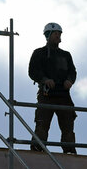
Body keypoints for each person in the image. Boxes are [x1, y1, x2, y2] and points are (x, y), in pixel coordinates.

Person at [28, 22, 78, 154]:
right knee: (42, 124)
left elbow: (72, 71)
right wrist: (45, 80)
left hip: (64, 95)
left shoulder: (66, 55)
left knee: (68, 125)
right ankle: (38, 148)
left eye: (59, 33)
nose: (58, 35)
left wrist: (70, 80)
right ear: (48, 35)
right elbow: (33, 71)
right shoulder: (39, 53)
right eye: (55, 33)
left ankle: (69, 150)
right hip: (47, 95)